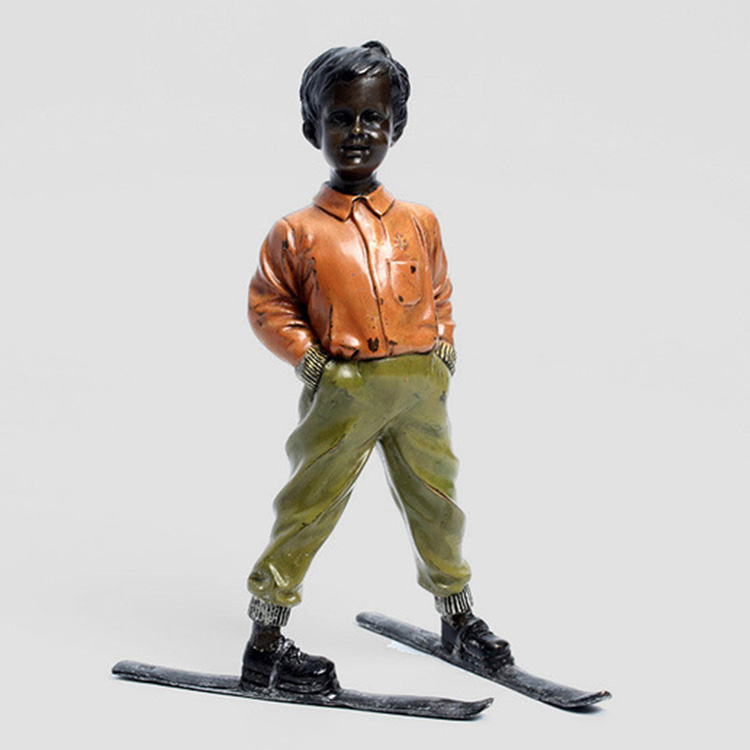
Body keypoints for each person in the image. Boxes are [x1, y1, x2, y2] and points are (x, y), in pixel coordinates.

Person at [241, 41, 512, 694]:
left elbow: (438, 289)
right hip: (348, 388)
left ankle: (458, 618)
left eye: (373, 119)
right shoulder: (297, 232)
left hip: (420, 388)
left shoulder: (419, 222)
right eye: (341, 118)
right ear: (313, 128)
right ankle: (266, 641)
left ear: (396, 126)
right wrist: (312, 362)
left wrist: (443, 345)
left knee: (437, 502)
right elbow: (268, 305)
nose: (358, 133)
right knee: (309, 506)